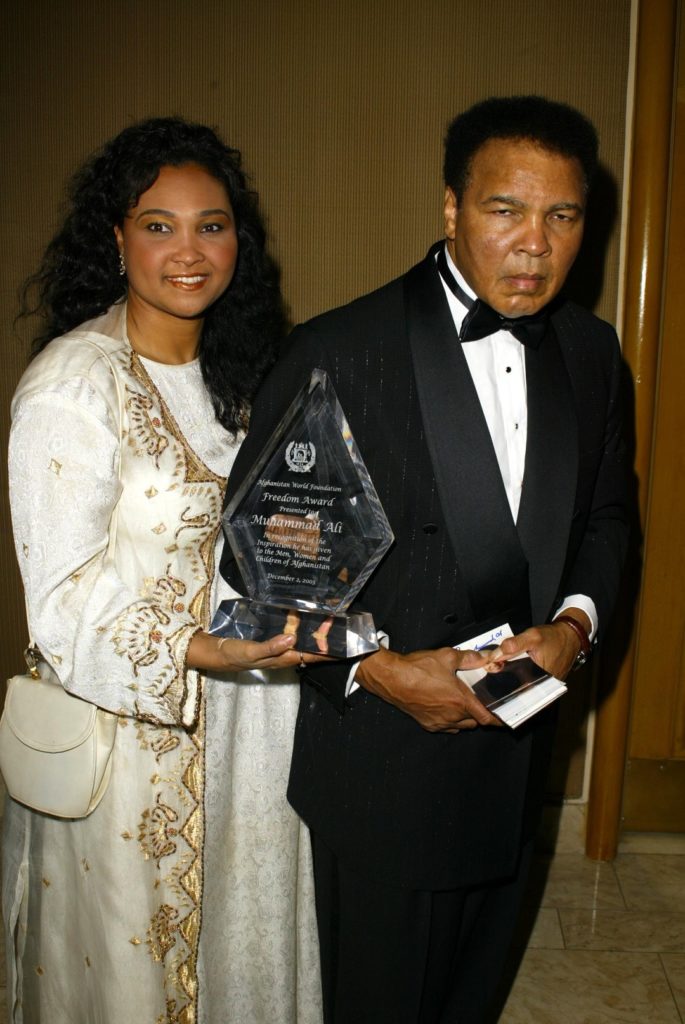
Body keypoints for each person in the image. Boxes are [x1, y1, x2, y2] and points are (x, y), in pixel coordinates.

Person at [221, 96, 632, 1023]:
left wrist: (575, 625)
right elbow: (262, 571)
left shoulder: (590, 351)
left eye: (562, 217)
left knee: (469, 998)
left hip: (520, 753)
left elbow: (608, 519)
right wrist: (373, 671)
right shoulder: (336, 350)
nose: (535, 245)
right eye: (504, 211)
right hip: (383, 770)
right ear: (450, 208)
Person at [4, 117, 324, 1023]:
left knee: (246, 945)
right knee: (147, 976)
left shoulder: (246, 373)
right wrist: (199, 651)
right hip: (136, 749)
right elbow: (59, 605)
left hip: (257, 721)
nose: (189, 251)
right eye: (158, 225)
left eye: (212, 225)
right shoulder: (75, 385)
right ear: (116, 238)